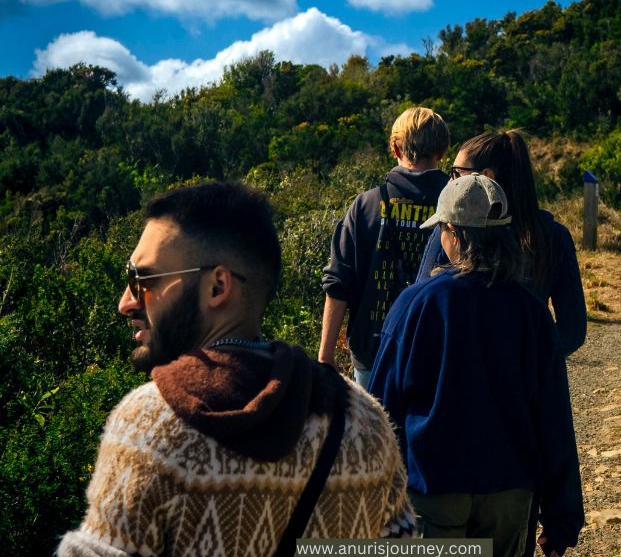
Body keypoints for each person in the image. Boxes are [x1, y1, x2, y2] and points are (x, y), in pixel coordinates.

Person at [57, 181, 414, 557]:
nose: (125, 302)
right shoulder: (363, 422)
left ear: (218, 287)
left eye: (142, 279)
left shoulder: (147, 429)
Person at [369, 174, 584, 557]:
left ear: (452, 232)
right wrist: (561, 519)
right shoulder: (532, 310)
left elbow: (383, 411)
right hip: (510, 494)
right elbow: (554, 418)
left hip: (432, 492)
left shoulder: (415, 305)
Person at [416, 130, 586, 357]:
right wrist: (531, 365)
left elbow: (419, 304)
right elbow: (572, 330)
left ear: (486, 176)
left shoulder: (451, 230)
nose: (450, 181)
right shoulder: (552, 235)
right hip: (523, 386)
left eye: (456, 173)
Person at [319, 106, 450, 386]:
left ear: (395, 148)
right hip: (439, 352)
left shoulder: (365, 205)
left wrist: (325, 355)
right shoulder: (455, 204)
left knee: (377, 430)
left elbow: (338, 282)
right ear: (442, 153)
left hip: (372, 352)